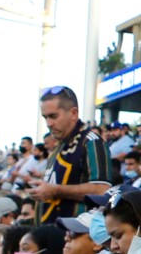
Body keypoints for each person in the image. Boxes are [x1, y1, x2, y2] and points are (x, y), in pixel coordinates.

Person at [31, 87, 110, 224]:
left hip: (75, 237)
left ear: (73, 113)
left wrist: (55, 190)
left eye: (53, 116)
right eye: (45, 117)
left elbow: (103, 191)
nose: (49, 123)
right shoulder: (59, 146)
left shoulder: (91, 142)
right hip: (51, 235)